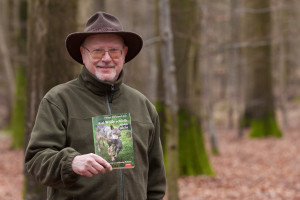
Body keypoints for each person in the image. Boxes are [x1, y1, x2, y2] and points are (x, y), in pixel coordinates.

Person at [25, 11, 166, 200]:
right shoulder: (59, 100)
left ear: (124, 54)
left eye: (114, 51)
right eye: (97, 50)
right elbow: (36, 159)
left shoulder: (144, 107)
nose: (106, 58)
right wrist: (71, 162)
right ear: (83, 54)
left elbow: (155, 181)